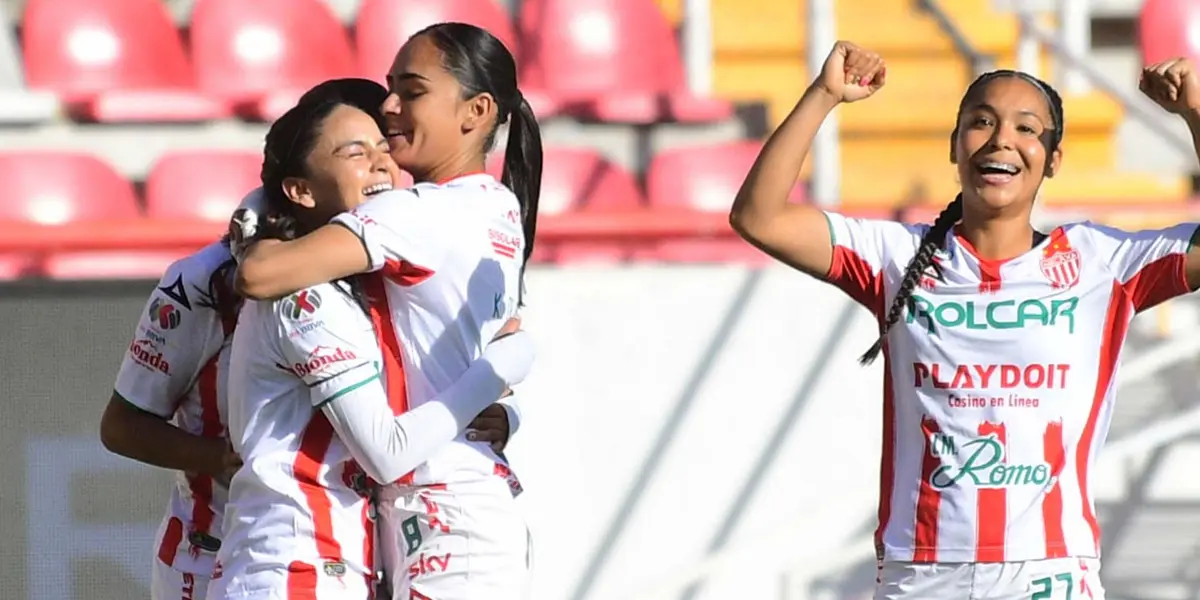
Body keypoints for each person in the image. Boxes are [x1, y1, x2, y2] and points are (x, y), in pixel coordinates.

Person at [729, 41, 1200, 599]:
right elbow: (758, 217)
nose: (1002, 138)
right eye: (981, 122)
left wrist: (1195, 114)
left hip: (1048, 572)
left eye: (1027, 128)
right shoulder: (894, 256)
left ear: (1053, 159)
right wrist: (824, 94)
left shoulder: (1103, 264)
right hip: (921, 574)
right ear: (954, 148)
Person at [232, 22, 540, 599]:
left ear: (475, 111)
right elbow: (489, 350)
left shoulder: (412, 215)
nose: (390, 105)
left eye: (412, 91)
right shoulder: (498, 205)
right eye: (390, 86)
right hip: (466, 505)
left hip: (443, 516)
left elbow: (260, 273)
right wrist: (504, 387)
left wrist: (254, 212)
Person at [100, 231, 242, 600]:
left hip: (346, 551)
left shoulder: (384, 259)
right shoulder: (204, 280)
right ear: (298, 189)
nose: (380, 168)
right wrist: (222, 459)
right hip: (212, 555)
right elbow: (122, 427)